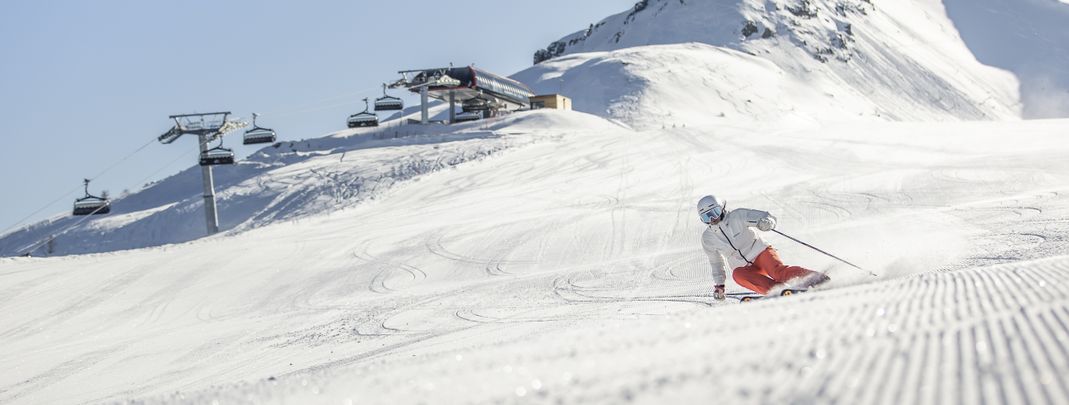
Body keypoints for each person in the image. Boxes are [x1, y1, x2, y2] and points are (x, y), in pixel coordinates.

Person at [697, 195, 829, 300]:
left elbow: (765, 216)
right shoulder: (708, 238)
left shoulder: (737, 216)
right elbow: (716, 263)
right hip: (743, 266)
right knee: (737, 275)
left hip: (760, 252)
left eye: (714, 212)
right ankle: (778, 291)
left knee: (778, 272)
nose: (712, 219)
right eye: (706, 216)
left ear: (722, 208)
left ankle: (816, 278)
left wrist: (767, 222)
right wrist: (719, 285)